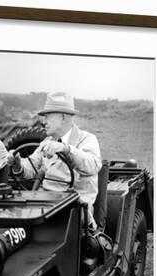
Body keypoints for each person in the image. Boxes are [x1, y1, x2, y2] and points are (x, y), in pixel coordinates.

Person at [10, 92, 102, 227]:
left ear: (63, 117)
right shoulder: (48, 142)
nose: (43, 122)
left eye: (47, 117)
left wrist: (65, 149)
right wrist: (18, 164)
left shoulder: (87, 139)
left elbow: (93, 165)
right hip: (43, 207)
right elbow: (31, 168)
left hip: (75, 212)